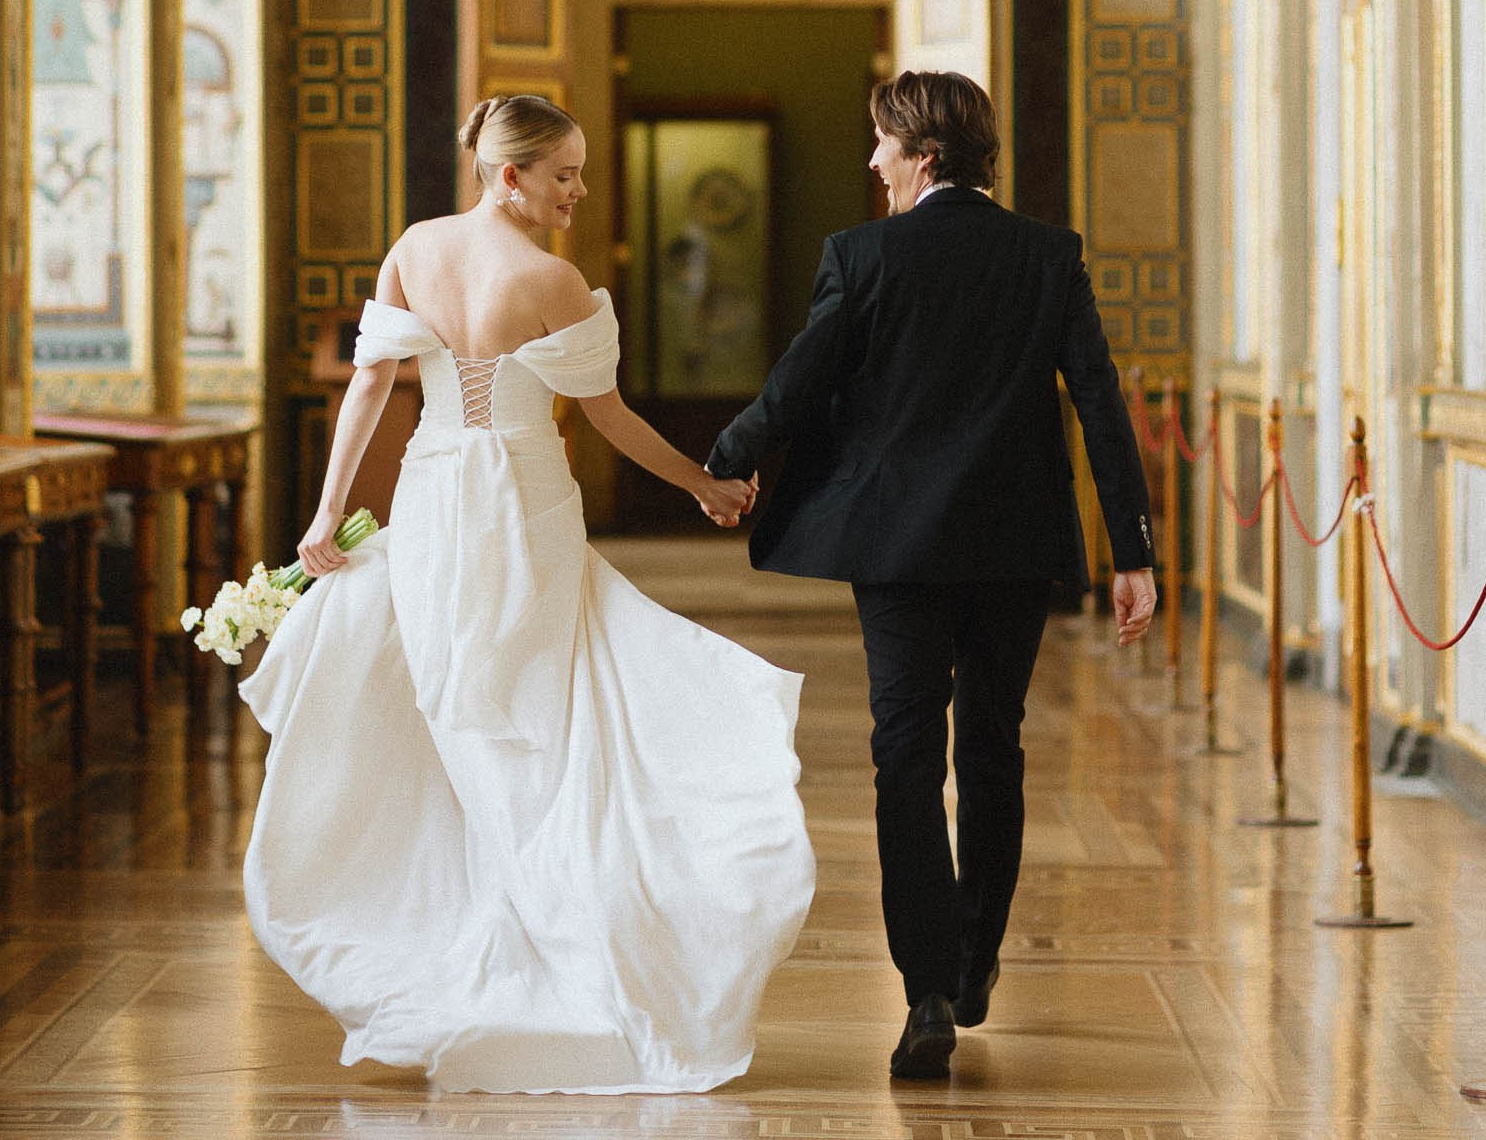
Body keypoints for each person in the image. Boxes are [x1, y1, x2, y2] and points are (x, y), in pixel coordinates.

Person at [240, 94, 815, 1095]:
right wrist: (703, 484)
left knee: (468, 713)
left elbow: (370, 390)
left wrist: (326, 514)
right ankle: (568, 945)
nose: (579, 192)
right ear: (509, 175)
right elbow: (607, 418)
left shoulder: (415, 250)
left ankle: (507, 935)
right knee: (544, 719)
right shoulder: (555, 281)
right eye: (564, 175)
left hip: (432, 497)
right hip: (522, 503)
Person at [707, 69, 1156, 1082]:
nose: (872, 163)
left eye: (881, 145)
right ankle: (976, 951)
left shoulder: (860, 257)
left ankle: (927, 992)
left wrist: (724, 462)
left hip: (899, 551)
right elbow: (1099, 399)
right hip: (1015, 544)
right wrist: (1134, 551)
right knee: (993, 744)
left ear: (923, 153)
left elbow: (798, 383)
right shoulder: (1048, 256)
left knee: (903, 756)